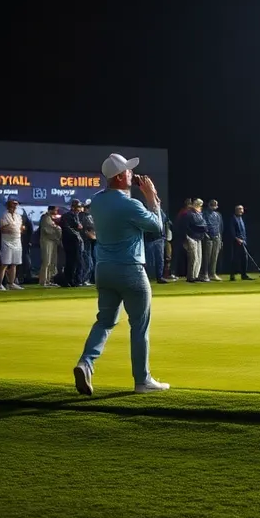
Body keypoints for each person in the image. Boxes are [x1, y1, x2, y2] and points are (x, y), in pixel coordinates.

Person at [73, 154, 169, 395]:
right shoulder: (131, 204)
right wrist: (151, 197)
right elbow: (157, 227)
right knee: (139, 326)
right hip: (130, 270)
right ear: (118, 177)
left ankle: (86, 363)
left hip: (104, 269)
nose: (132, 174)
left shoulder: (96, 201)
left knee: (104, 321)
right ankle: (142, 380)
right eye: (127, 171)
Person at [0, 196, 24, 290]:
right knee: (5, 263)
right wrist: (8, 228)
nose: (15, 206)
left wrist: (21, 229)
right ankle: (0, 284)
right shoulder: (4, 215)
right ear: (9, 205)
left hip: (17, 240)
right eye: (13, 204)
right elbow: (1, 228)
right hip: (6, 241)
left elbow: (20, 228)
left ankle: (11, 283)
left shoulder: (18, 216)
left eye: (16, 204)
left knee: (14, 263)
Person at [39, 205, 63, 286]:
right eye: (55, 210)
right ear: (50, 210)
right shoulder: (45, 217)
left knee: (52, 261)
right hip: (46, 241)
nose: (56, 212)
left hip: (52, 241)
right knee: (46, 261)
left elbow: (54, 228)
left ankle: (48, 280)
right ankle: (43, 281)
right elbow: (48, 230)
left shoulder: (51, 218)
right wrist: (57, 229)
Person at [201, 199, 223, 282]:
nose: (214, 206)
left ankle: (212, 273)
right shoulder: (204, 213)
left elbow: (220, 227)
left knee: (215, 256)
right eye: (213, 204)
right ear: (209, 205)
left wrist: (220, 239)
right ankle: (205, 274)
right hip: (208, 238)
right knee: (207, 257)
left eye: (216, 204)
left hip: (217, 237)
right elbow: (203, 225)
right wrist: (206, 235)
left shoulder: (218, 215)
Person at [227, 204, 250, 281]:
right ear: (236, 210)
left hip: (243, 241)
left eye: (242, 209)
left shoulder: (241, 218)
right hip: (236, 242)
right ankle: (232, 275)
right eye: (240, 209)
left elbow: (243, 231)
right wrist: (237, 239)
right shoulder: (233, 219)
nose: (241, 210)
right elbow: (232, 231)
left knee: (244, 258)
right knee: (235, 259)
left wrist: (244, 240)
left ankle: (244, 275)